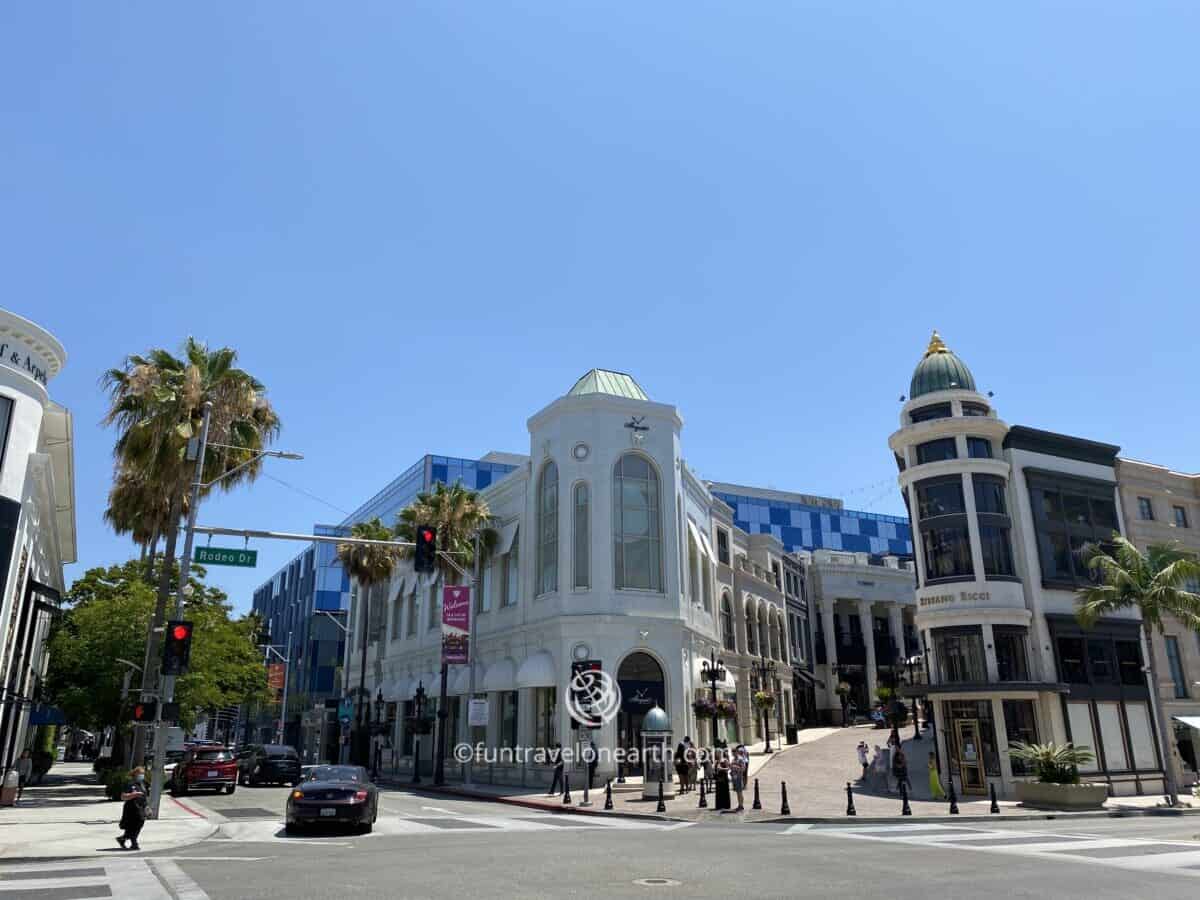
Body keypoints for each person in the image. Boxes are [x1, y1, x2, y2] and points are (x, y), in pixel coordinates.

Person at [117, 767, 148, 851]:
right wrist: (133, 795)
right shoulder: (129, 783)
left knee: (139, 825)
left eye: (143, 774)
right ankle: (134, 843)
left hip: (141, 807)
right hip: (131, 808)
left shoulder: (142, 783)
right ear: (135, 774)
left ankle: (123, 838)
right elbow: (123, 796)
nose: (142, 775)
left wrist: (147, 807)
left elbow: (145, 796)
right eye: (140, 774)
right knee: (133, 826)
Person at [730, 745, 746, 812]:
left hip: (739, 777)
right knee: (737, 792)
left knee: (740, 792)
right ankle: (739, 805)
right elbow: (731, 767)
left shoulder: (740, 759)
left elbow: (743, 769)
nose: (733, 753)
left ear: (737, 752)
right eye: (732, 752)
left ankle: (741, 805)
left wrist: (735, 767)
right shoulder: (733, 759)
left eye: (734, 752)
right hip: (734, 777)